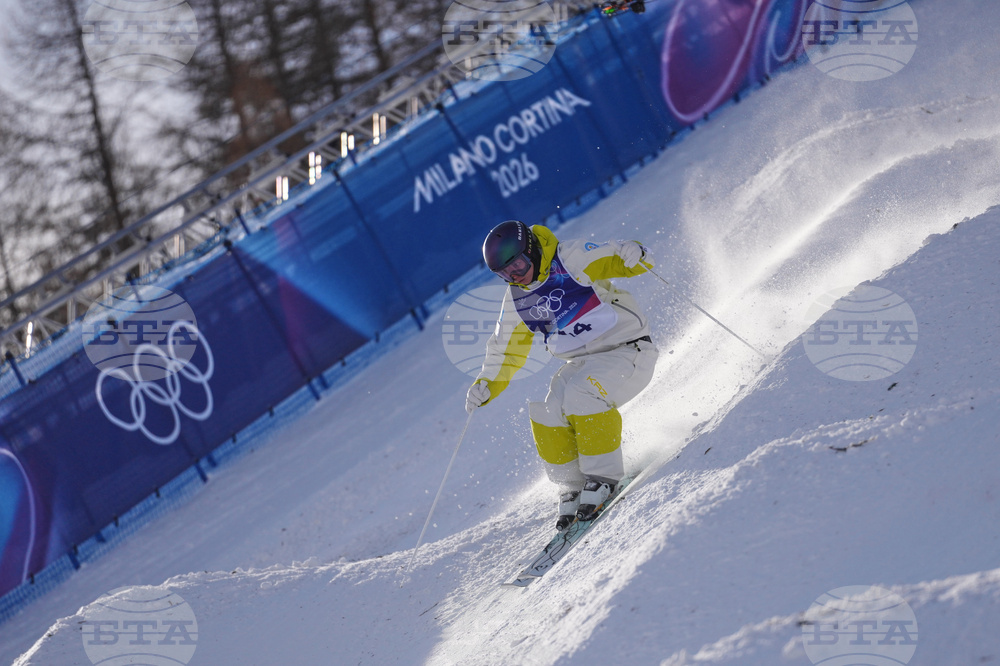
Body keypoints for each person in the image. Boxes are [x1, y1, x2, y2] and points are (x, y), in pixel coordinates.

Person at [465, 220, 658, 530]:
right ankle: (573, 485)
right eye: (505, 274)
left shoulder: (570, 259)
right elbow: (506, 350)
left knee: (581, 394)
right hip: (583, 363)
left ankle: (602, 478)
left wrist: (637, 252)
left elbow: (624, 260)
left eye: (517, 265)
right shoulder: (517, 299)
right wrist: (486, 383)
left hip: (628, 350)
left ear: (531, 250)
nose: (515, 276)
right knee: (549, 410)